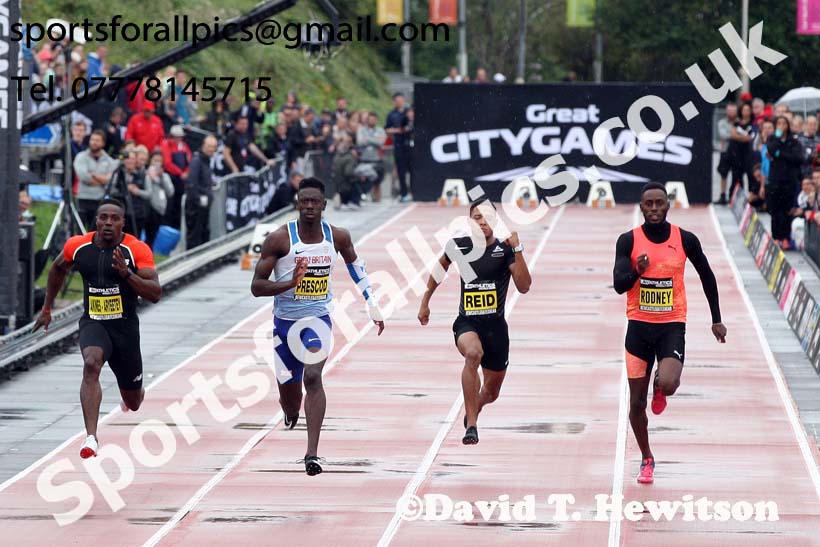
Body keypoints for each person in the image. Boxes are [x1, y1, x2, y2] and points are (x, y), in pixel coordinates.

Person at [250, 177, 385, 475]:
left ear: (324, 205)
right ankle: (290, 411)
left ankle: (311, 454)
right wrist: (290, 283)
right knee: (290, 398)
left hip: (318, 320)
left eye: (314, 201)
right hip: (285, 325)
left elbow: (356, 266)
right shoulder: (279, 239)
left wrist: (371, 302)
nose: (309, 206)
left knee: (312, 377)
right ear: (297, 204)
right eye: (304, 201)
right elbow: (256, 287)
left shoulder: (337, 236)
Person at [613, 182, 726, 484]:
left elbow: (707, 275)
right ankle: (647, 458)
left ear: (667, 205)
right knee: (636, 404)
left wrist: (716, 319)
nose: (654, 208)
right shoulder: (628, 241)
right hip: (638, 328)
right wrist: (637, 271)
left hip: (671, 326)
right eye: (648, 204)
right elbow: (619, 284)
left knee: (670, 382)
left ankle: (660, 386)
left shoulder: (685, 239)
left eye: (659, 203)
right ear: (641, 207)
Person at [32, 199, 162, 459]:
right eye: (103, 217)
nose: (108, 223)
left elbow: (155, 293)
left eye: (115, 218)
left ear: (123, 223)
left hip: (124, 328)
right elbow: (57, 268)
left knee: (134, 402)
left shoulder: (136, 249)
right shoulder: (78, 246)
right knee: (91, 364)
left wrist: (127, 274)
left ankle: (135, 391)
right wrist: (46, 308)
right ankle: (91, 437)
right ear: (96, 220)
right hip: (94, 322)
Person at [417, 199, 532, 445]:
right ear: (470, 221)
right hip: (467, 323)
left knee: (491, 393)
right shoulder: (458, 246)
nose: (482, 222)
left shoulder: (504, 249)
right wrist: (425, 301)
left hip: (496, 330)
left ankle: (475, 405)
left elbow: (524, 286)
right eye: (477, 217)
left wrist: (518, 249)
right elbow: (439, 270)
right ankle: (472, 425)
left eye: (487, 217)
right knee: (472, 354)